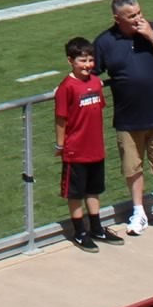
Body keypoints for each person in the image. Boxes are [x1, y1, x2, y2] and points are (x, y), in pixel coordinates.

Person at [95, 0, 153, 238]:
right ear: (117, 18)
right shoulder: (105, 41)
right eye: (131, 16)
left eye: (139, 13)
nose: (138, 18)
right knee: (132, 168)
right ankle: (138, 212)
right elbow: (92, 72)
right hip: (127, 118)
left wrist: (151, 36)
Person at [54, 37, 121, 250]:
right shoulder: (66, 87)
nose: (87, 65)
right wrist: (60, 145)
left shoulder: (94, 82)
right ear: (70, 61)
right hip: (75, 150)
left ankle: (96, 227)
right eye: (82, 60)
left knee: (94, 190)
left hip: (96, 149)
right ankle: (79, 232)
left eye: (91, 60)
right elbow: (61, 118)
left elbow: (97, 109)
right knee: (75, 193)